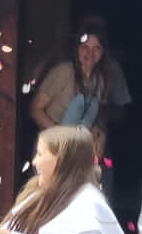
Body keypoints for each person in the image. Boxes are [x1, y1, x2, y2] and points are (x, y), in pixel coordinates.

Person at [30, 17, 131, 149]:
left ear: (103, 52)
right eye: (85, 47)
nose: (90, 53)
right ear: (77, 48)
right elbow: (35, 109)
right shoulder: (64, 72)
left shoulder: (100, 80)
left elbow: (90, 118)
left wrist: (96, 134)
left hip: (76, 152)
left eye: (97, 48)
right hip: (50, 148)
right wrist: (60, 134)